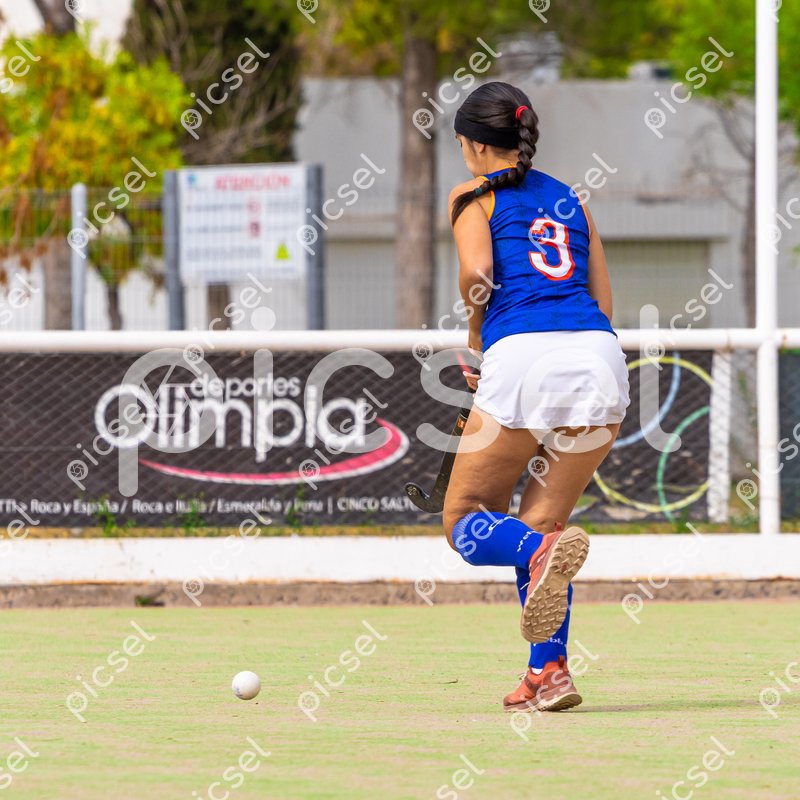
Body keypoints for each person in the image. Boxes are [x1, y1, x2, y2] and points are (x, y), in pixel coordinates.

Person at [443, 81, 630, 712]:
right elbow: (603, 298)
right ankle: (549, 674)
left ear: (474, 144)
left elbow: (478, 274)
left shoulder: (472, 195)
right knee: (544, 518)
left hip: (523, 354)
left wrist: (481, 338)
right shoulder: (572, 199)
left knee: (466, 521)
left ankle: (538, 550)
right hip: (599, 358)